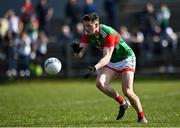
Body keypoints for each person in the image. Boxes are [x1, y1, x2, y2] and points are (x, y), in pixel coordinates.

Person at [71, 13, 148, 123]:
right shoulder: (87, 34)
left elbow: (107, 57)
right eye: (85, 26)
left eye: (89, 26)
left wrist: (95, 68)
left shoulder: (107, 32)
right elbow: (79, 55)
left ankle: (141, 117)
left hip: (126, 58)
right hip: (113, 61)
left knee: (127, 91)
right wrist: (76, 51)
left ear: (97, 24)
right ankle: (123, 103)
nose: (86, 29)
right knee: (100, 83)